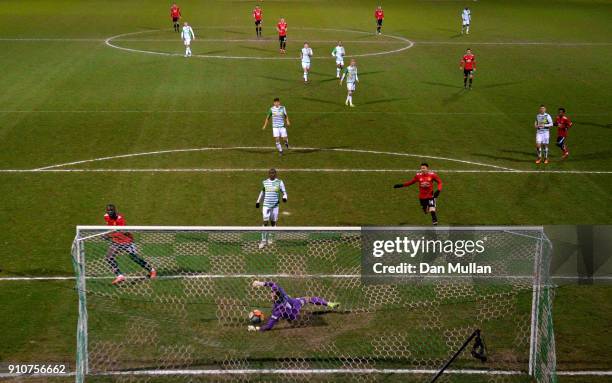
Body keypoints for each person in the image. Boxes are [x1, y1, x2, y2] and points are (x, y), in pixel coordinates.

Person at [248, 280, 340, 332]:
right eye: (272, 292)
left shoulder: (277, 311)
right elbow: (272, 284)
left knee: (279, 315)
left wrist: (255, 328)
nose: (271, 294)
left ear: (276, 295)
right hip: (292, 301)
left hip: (293, 312)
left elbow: (268, 327)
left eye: (273, 293)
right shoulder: (280, 291)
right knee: (308, 299)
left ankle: (329, 304)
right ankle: (329, 303)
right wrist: (259, 283)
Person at [103, 204, 156, 285]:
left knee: (134, 258)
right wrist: (108, 234)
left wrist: (108, 235)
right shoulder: (106, 216)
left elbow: (122, 232)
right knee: (109, 257)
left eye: (111, 210)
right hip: (116, 241)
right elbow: (109, 226)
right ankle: (119, 276)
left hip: (126, 241)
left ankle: (152, 270)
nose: (110, 212)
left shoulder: (120, 219)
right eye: (108, 210)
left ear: (115, 210)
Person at [255, 169, 287, 249]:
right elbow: (262, 192)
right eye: (270, 173)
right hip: (266, 205)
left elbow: (284, 192)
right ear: (268, 174)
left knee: (273, 223)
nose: (272, 174)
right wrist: (258, 201)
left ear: (276, 174)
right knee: (265, 222)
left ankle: (270, 237)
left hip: (275, 206)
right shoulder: (265, 182)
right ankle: (263, 241)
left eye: (273, 173)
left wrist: (284, 197)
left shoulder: (279, 182)